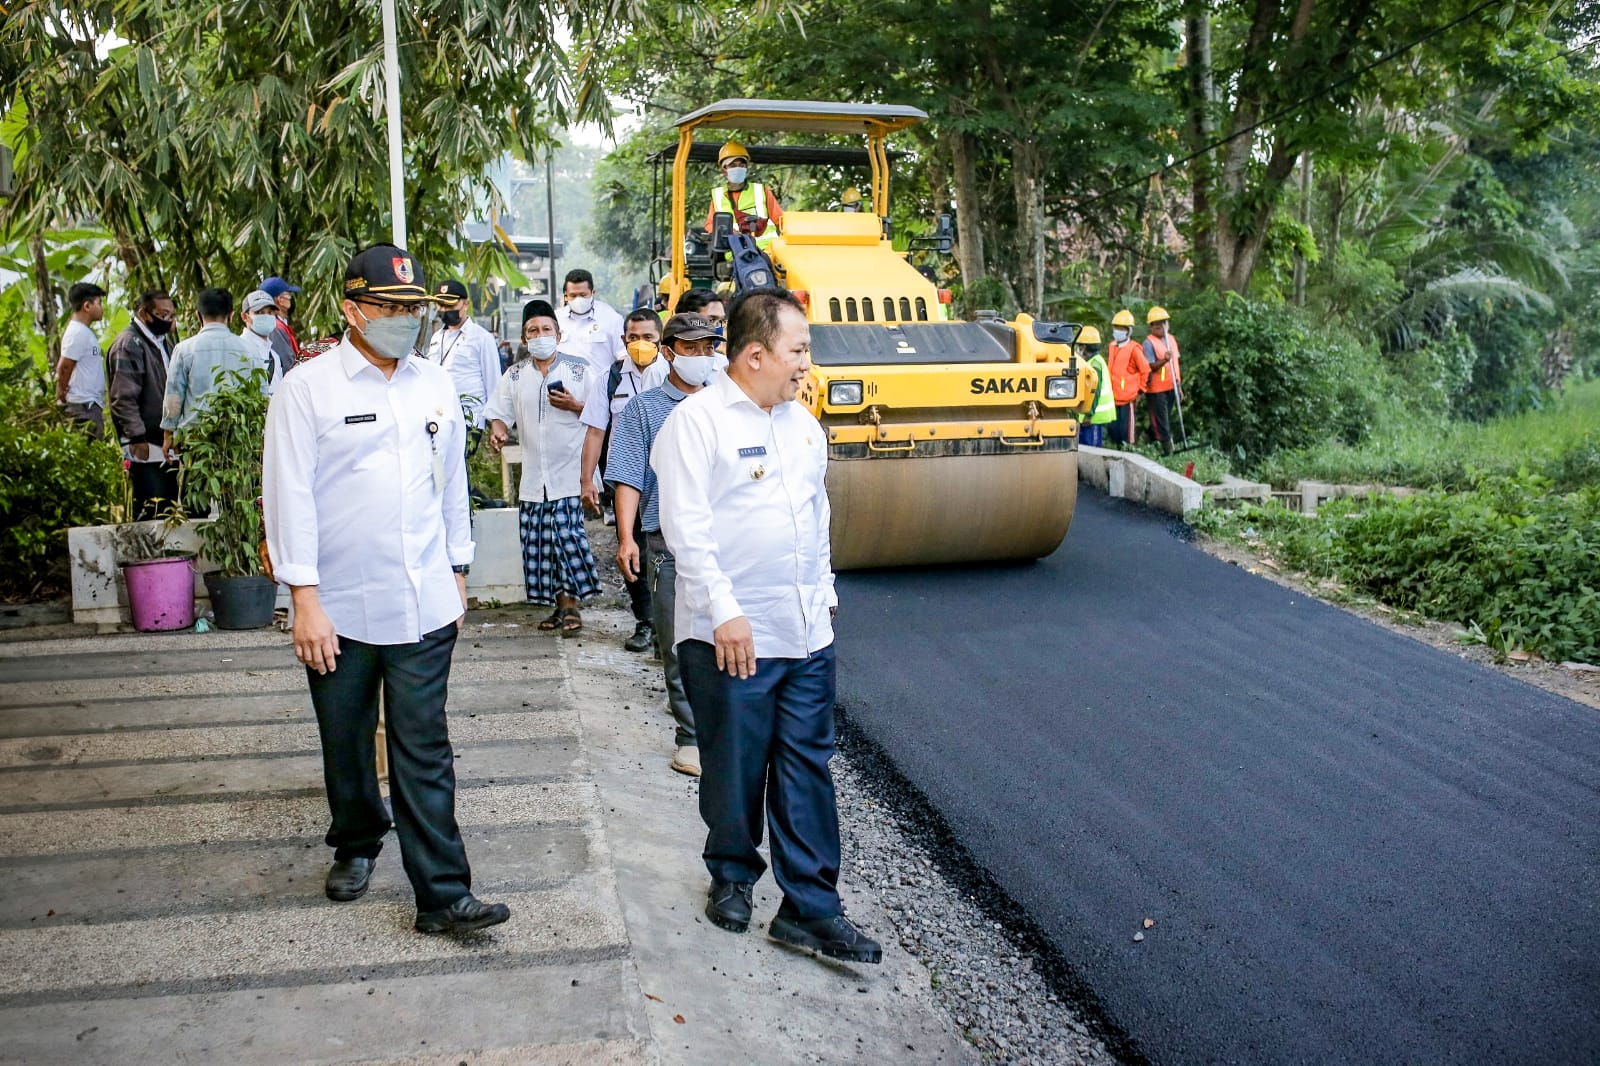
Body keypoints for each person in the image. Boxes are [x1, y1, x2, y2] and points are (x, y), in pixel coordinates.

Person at [262, 243, 509, 936]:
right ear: (351, 310)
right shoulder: (306, 390)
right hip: (337, 606)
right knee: (345, 739)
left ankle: (443, 894)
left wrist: (459, 571)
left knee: (424, 744)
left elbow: (451, 483)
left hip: (426, 598)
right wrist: (302, 598)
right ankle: (357, 842)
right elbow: (288, 498)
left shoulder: (430, 383)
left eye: (415, 310)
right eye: (392, 309)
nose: (407, 321)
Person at [652, 287, 881, 964]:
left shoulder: (803, 425)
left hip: (805, 633)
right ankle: (731, 874)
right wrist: (724, 610)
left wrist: (826, 590)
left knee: (808, 766)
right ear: (755, 355)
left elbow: (815, 520)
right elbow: (685, 530)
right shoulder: (697, 425)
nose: (807, 363)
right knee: (735, 763)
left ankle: (811, 908)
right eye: (798, 350)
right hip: (730, 635)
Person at [605, 312, 721, 778]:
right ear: (669, 351)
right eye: (689, 348)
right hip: (668, 543)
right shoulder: (646, 410)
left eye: (707, 348)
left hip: (726, 540)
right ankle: (690, 737)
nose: (699, 356)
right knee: (679, 643)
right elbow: (629, 478)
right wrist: (626, 537)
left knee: (730, 636)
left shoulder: (728, 405)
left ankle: (729, 731)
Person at [484, 300, 600, 637]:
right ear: (524, 337)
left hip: (569, 474)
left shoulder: (580, 370)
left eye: (546, 329)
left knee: (567, 540)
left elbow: (598, 417)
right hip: (535, 478)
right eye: (533, 331)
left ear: (558, 334)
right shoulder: (515, 375)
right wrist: (498, 430)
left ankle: (572, 607)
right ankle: (557, 607)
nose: (540, 335)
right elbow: (498, 412)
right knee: (543, 546)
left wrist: (574, 405)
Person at [579, 307, 669, 654]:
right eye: (634, 338)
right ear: (623, 339)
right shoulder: (611, 379)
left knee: (669, 552)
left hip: (668, 480)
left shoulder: (673, 374)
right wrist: (588, 479)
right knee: (632, 551)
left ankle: (669, 629)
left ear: (661, 341)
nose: (640, 344)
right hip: (627, 480)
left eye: (648, 338)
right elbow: (596, 431)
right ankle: (645, 622)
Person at [161, 287, 261, 454]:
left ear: (198, 315)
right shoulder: (250, 349)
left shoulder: (184, 349)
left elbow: (174, 396)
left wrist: (168, 435)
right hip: (239, 442)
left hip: (195, 441)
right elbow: (261, 394)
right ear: (231, 315)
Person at [109, 290, 181, 520]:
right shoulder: (129, 344)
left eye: (171, 315)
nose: (168, 320)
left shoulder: (162, 343)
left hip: (164, 441)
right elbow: (123, 396)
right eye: (163, 314)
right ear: (144, 313)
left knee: (167, 506)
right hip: (145, 444)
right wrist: (136, 436)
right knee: (152, 508)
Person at [424, 280, 502, 438]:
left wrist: (496, 423)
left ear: (465, 304)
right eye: (441, 305)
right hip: (439, 417)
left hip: (469, 419)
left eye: (450, 306)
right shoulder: (437, 337)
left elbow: (493, 382)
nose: (445, 310)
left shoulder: (481, 338)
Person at [705, 141, 784, 252]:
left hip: (767, 253)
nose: (738, 168)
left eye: (741, 165)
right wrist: (728, 231)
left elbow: (781, 221)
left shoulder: (761, 191)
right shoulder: (718, 196)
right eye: (733, 165)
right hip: (734, 254)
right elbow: (710, 225)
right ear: (724, 170)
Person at [56, 281, 108, 438]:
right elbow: (64, 366)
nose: (102, 308)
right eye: (99, 303)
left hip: (89, 405)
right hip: (82, 407)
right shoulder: (77, 333)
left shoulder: (84, 332)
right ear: (87, 306)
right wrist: (61, 395)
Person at [555, 269, 625, 379]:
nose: (578, 299)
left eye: (583, 295)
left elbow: (623, 356)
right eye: (573, 295)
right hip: (565, 390)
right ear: (565, 296)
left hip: (601, 390)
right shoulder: (556, 320)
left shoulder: (611, 318)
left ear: (593, 293)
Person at [1106, 308, 1149, 449]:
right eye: (1116, 327)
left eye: (1121, 328)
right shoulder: (1112, 346)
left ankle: (1129, 452)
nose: (1117, 331)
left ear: (1128, 331)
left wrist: (1141, 390)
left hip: (1128, 397)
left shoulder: (1134, 349)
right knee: (1113, 430)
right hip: (1113, 396)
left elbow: (1145, 370)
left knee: (1126, 432)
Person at [240, 288, 297, 393]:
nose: (266, 316)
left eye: (270, 312)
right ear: (245, 316)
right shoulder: (239, 350)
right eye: (259, 312)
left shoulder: (274, 355)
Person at [1143, 306, 1182, 455]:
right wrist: (1163, 360)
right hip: (1156, 390)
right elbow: (1150, 366)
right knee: (1162, 422)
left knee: (1161, 420)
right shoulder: (1148, 343)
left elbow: (1176, 365)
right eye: (1155, 323)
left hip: (1171, 387)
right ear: (1151, 326)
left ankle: (1145, 440)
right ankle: (1169, 451)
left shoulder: (1171, 339)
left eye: (1163, 322)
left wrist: (1178, 385)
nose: (1160, 326)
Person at [1076, 325, 1115, 448]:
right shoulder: (1093, 361)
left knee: (1092, 451)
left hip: (1093, 417)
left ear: (1083, 347)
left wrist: (1089, 414)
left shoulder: (1095, 364)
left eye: (1079, 346)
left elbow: (1095, 391)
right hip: (1091, 417)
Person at [262, 276, 302, 355]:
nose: (290, 298)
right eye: (288, 295)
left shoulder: (279, 324)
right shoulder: (275, 328)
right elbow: (288, 362)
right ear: (280, 300)